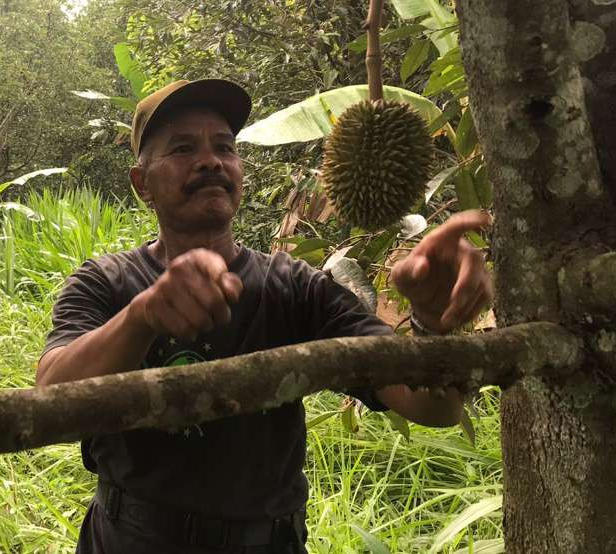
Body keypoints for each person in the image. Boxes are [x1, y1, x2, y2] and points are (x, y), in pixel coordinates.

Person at [36, 79, 493, 554]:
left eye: (224, 147)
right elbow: (50, 397)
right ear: (142, 183)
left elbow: (434, 409)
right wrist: (142, 316)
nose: (210, 160)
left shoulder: (296, 288)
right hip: (134, 540)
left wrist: (430, 323)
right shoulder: (107, 282)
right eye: (183, 148)